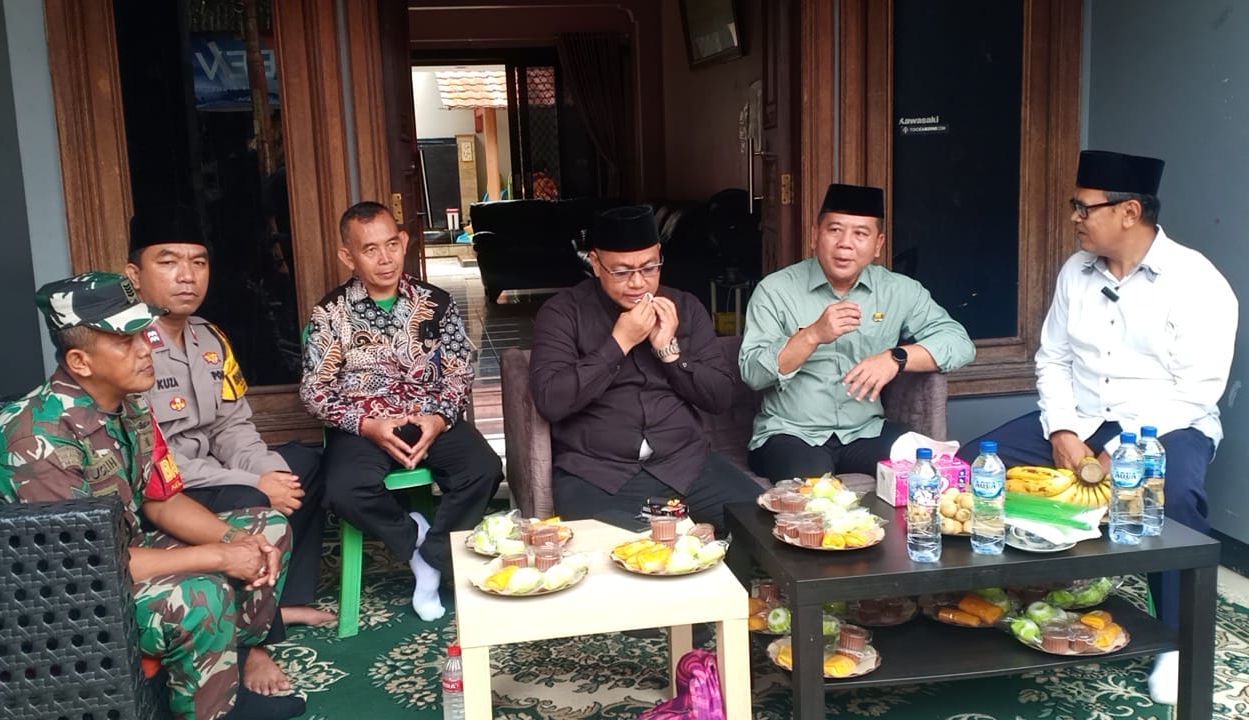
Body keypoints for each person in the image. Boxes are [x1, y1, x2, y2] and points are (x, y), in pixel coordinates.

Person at [958, 150, 1238, 705]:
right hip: (1082, 414)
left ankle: (1178, 640)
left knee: (1175, 497)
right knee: (970, 467)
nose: (1074, 217)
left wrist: (1124, 446)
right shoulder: (1076, 271)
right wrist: (1062, 430)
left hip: (1168, 422)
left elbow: (1196, 389)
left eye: (1084, 207)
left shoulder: (1197, 281)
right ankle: (1019, 592)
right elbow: (1053, 359)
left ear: (1129, 212)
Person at [0, 272, 304, 720]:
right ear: (80, 361)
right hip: (51, 601)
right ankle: (214, 712)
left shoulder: (130, 405)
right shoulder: (36, 439)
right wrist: (221, 557)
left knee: (267, 529)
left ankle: (233, 666)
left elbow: (161, 500)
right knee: (201, 593)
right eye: (126, 341)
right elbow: (84, 568)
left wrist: (234, 541)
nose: (147, 348)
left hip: (120, 554)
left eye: (144, 333)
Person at [125, 206, 334, 696]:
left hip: (211, 471)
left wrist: (268, 470)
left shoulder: (210, 338)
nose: (187, 276)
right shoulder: (127, 349)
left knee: (303, 468)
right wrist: (252, 482)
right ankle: (253, 642)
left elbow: (232, 426)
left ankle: (276, 602)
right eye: (168, 262)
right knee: (257, 498)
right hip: (166, 491)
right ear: (135, 275)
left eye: (198, 263)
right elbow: (155, 462)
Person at [301, 201, 502, 622]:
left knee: (484, 469)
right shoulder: (331, 314)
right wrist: (366, 425)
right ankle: (415, 541)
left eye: (392, 244)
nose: (386, 258)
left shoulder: (436, 302)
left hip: (430, 414)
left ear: (404, 241)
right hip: (365, 425)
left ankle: (432, 557)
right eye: (370, 249)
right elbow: (315, 391)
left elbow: (460, 370)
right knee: (343, 489)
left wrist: (439, 418)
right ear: (348, 256)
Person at [528, 205, 763, 531]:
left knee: (760, 526)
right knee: (616, 548)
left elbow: (720, 397)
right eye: (622, 272)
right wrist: (619, 343)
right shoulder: (562, 313)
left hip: (684, 463)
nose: (638, 283)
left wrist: (669, 352)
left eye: (649, 268)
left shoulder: (686, 308)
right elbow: (551, 400)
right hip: (597, 472)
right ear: (595, 263)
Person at [739, 183, 975, 480]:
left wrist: (895, 358)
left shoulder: (898, 290)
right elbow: (753, 374)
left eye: (860, 234)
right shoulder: (775, 290)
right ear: (815, 235)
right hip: (792, 434)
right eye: (835, 230)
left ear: (878, 244)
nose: (845, 244)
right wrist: (813, 335)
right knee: (812, 490)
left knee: (928, 471)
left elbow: (959, 343)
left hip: (866, 431)